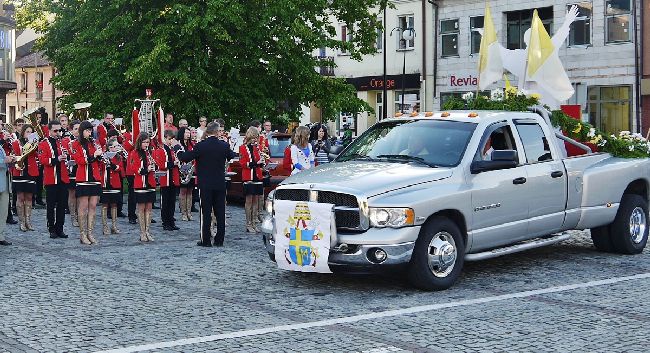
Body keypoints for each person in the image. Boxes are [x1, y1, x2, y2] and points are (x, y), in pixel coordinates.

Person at [176, 122, 236, 247]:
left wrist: (177, 150)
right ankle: (219, 240)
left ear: (207, 132)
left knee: (206, 212)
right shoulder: (224, 145)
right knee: (220, 212)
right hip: (219, 183)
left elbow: (186, 157)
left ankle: (206, 240)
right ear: (217, 131)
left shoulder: (201, 146)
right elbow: (232, 156)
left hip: (205, 184)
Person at [71, 121, 103, 245]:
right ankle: (82, 234)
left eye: (90, 131)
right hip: (83, 177)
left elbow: (98, 160)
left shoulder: (93, 143)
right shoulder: (75, 144)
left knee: (93, 205)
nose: (89, 133)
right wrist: (94, 155)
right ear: (82, 131)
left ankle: (90, 233)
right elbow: (79, 160)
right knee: (83, 206)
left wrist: (100, 156)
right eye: (87, 131)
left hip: (94, 177)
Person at [38, 120, 70, 239]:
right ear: (49, 131)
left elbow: (68, 157)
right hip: (51, 179)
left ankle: (60, 228)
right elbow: (42, 159)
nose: (58, 133)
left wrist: (67, 156)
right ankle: (51, 229)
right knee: (51, 206)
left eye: (59, 130)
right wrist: (57, 159)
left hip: (63, 178)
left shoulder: (63, 142)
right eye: (55, 130)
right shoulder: (43, 143)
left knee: (62, 205)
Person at [128, 132, 157, 242]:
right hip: (140, 182)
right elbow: (133, 167)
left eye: (148, 142)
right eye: (144, 142)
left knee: (149, 207)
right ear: (139, 142)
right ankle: (142, 232)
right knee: (141, 208)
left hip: (150, 183)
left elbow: (154, 165)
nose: (146, 144)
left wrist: (154, 166)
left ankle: (147, 231)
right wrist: (146, 169)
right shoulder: (134, 153)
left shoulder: (150, 152)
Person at [12, 124, 39, 232]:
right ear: (23, 133)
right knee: (20, 197)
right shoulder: (15, 143)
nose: (29, 134)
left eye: (31, 132)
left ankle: (28, 221)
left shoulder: (34, 144)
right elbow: (13, 157)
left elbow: (37, 155)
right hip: (19, 172)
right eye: (27, 132)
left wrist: (34, 144)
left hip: (30, 172)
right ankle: (22, 222)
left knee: (29, 198)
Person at [239, 127, 265, 233]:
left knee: (256, 201)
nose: (255, 139)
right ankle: (248, 224)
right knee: (249, 201)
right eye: (254, 137)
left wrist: (263, 162)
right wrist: (256, 163)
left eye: (257, 137)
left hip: (257, 176)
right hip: (248, 176)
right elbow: (242, 163)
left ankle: (254, 222)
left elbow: (259, 162)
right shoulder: (242, 148)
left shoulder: (257, 148)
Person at [155, 130, 181, 231]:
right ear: (165, 138)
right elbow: (161, 164)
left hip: (173, 178)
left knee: (172, 202)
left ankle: (171, 221)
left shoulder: (172, 150)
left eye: (172, 139)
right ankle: (165, 222)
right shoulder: (161, 149)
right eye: (170, 139)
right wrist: (173, 163)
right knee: (165, 202)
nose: (171, 141)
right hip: (165, 178)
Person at [100, 137, 124, 235]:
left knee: (114, 204)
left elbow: (120, 168)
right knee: (105, 205)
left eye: (117, 146)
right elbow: (100, 167)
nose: (116, 148)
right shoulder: (103, 156)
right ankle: (105, 226)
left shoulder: (118, 156)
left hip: (115, 183)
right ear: (109, 147)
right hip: (105, 182)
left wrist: (113, 165)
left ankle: (114, 226)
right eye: (114, 146)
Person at [62, 120, 80, 226]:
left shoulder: (84, 140)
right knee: (72, 193)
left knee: (80, 194)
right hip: (71, 168)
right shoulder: (66, 141)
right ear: (71, 130)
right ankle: (73, 217)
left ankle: (80, 215)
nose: (78, 131)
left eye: (79, 129)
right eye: (76, 129)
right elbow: (65, 154)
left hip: (82, 169)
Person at [176, 127, 195, 221]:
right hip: (182, 170)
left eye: (189, 132)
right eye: (186, 132)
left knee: (190, 191)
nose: (188, 134)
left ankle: (189, 212)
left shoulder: (192, 144)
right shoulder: (179, 144)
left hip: (191, 169)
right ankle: (183, 213)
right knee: (183, 191)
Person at [122, 127, 138, 224]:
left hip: (143, 167)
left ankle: (142, 214)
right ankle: (131, 215)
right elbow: (127, 147)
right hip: (131, 169)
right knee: (132, 194)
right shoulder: (128, 136)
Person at [0, 143, 15, 245]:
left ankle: (1, 236)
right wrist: (3, 161)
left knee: (3, 212)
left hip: (4, 183)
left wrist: (11, 161)